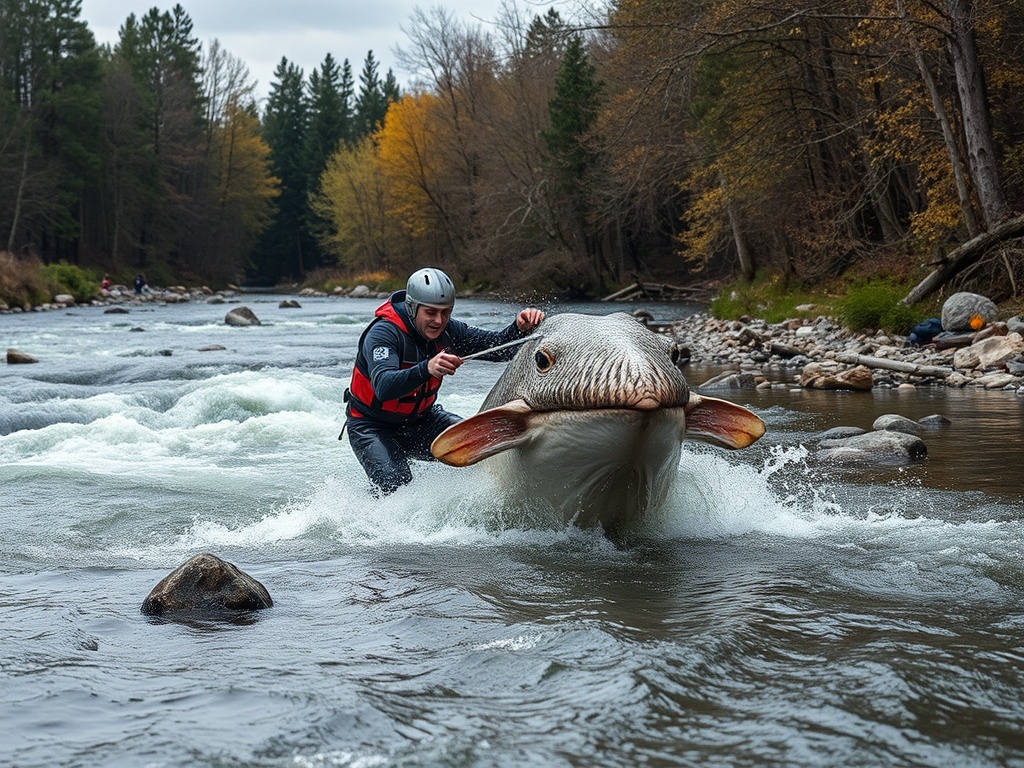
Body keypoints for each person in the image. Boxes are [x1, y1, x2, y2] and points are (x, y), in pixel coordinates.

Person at [344, 267, 545, 495]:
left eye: (445, 312)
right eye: (430, 312)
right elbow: (384, 387)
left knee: (480, 446)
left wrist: (519, 328)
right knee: (397, 487)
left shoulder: (449, 331)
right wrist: (427, 368)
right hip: (372, 426)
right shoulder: (383, 334)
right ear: (412, 307)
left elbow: (500, 348)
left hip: (422, 421)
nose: (438, 321)